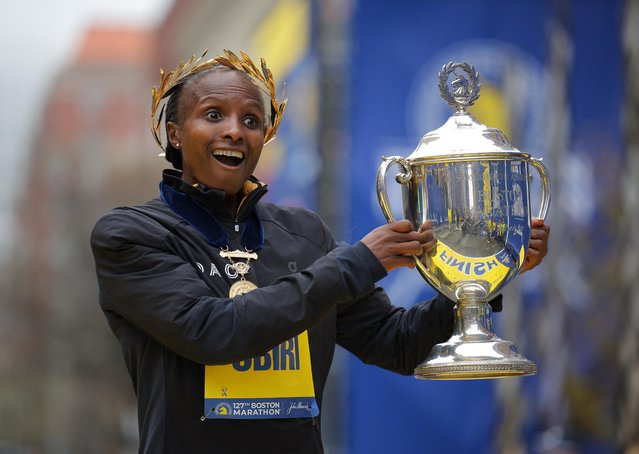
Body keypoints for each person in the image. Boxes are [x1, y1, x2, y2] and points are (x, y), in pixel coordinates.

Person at [90, 50, 550, 453]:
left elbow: (399, 344)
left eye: (252, 121)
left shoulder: (303, 235)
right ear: (174, 134)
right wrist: (354, 264)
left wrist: (486, 275)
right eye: (213, 115)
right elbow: (214, 332)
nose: (235, 131)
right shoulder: (131, 235)